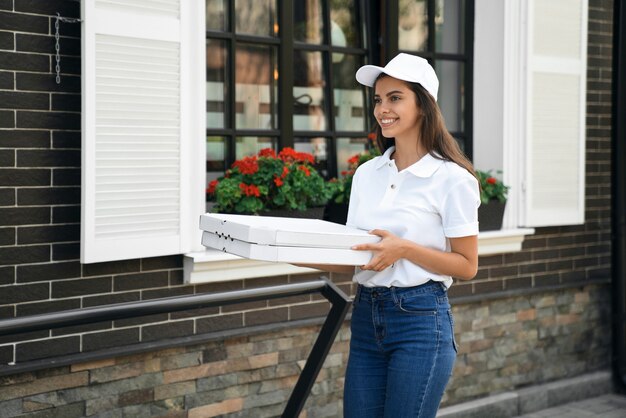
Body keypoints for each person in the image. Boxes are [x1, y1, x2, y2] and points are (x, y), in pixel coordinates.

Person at [301, 53, 480, 417]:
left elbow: (466, 266)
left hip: (420, 320)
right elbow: (353, 257)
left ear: (423, 105)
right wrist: (272, 249)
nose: (383, 108)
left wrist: (405, 250)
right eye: (379, 100)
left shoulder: (452, 179)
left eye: (395, 97)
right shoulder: (368, 173)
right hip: (367, 315)